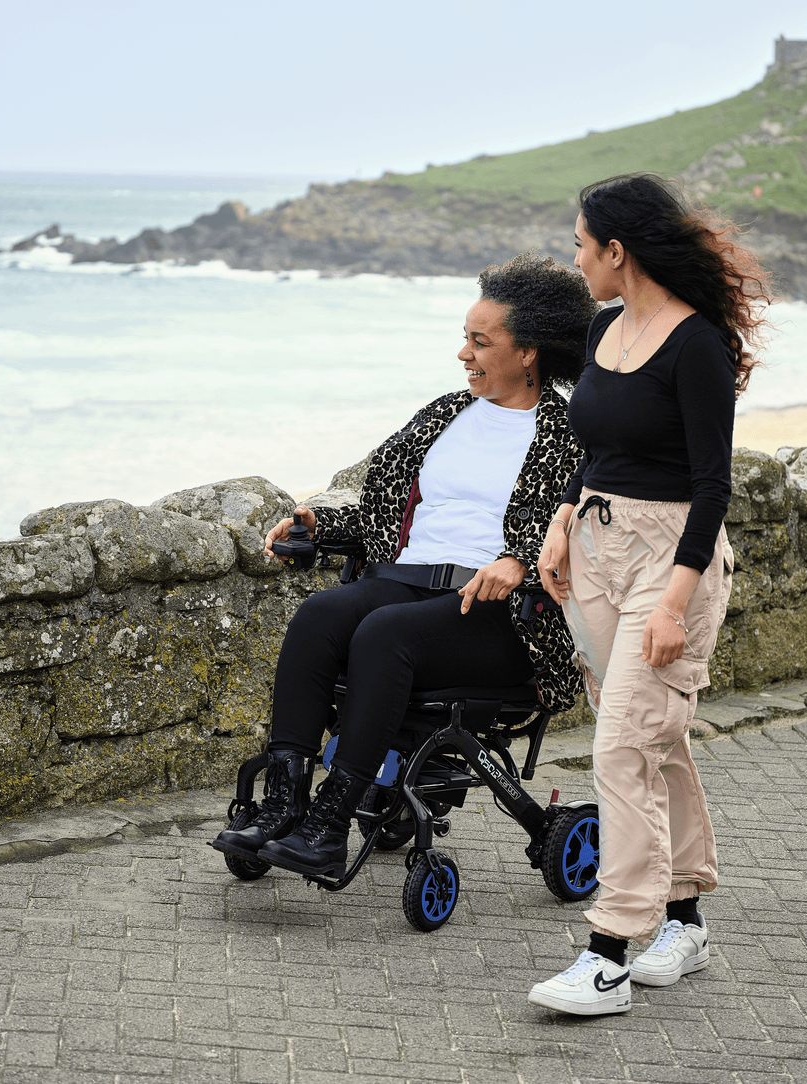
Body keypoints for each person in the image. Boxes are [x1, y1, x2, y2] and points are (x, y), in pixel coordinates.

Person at [211, 253, 599, 881]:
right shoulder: (447, 414)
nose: (463, 354)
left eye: (480, 341)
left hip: (497, 615)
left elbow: (581, 525)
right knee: (321, 614)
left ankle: (330, 828)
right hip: (405, 580)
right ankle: (284, 806)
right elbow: (382, 509)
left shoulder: (566, 433)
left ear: (528, 353)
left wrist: (521, 563)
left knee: (383, 634)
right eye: (464, 339)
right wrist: (321, 525)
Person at [527, 173, 771, 1015]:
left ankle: (606, 953)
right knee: (651, 739)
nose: (575, 256)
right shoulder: (603, 328)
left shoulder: (695, 342)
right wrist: (562, 521)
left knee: (619, 748)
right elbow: (590, 447)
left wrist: (673, 602)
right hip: (596, 549)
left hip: (670, 562)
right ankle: (687, 918)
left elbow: (712, 486)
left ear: (616, 250)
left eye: (579, 243)